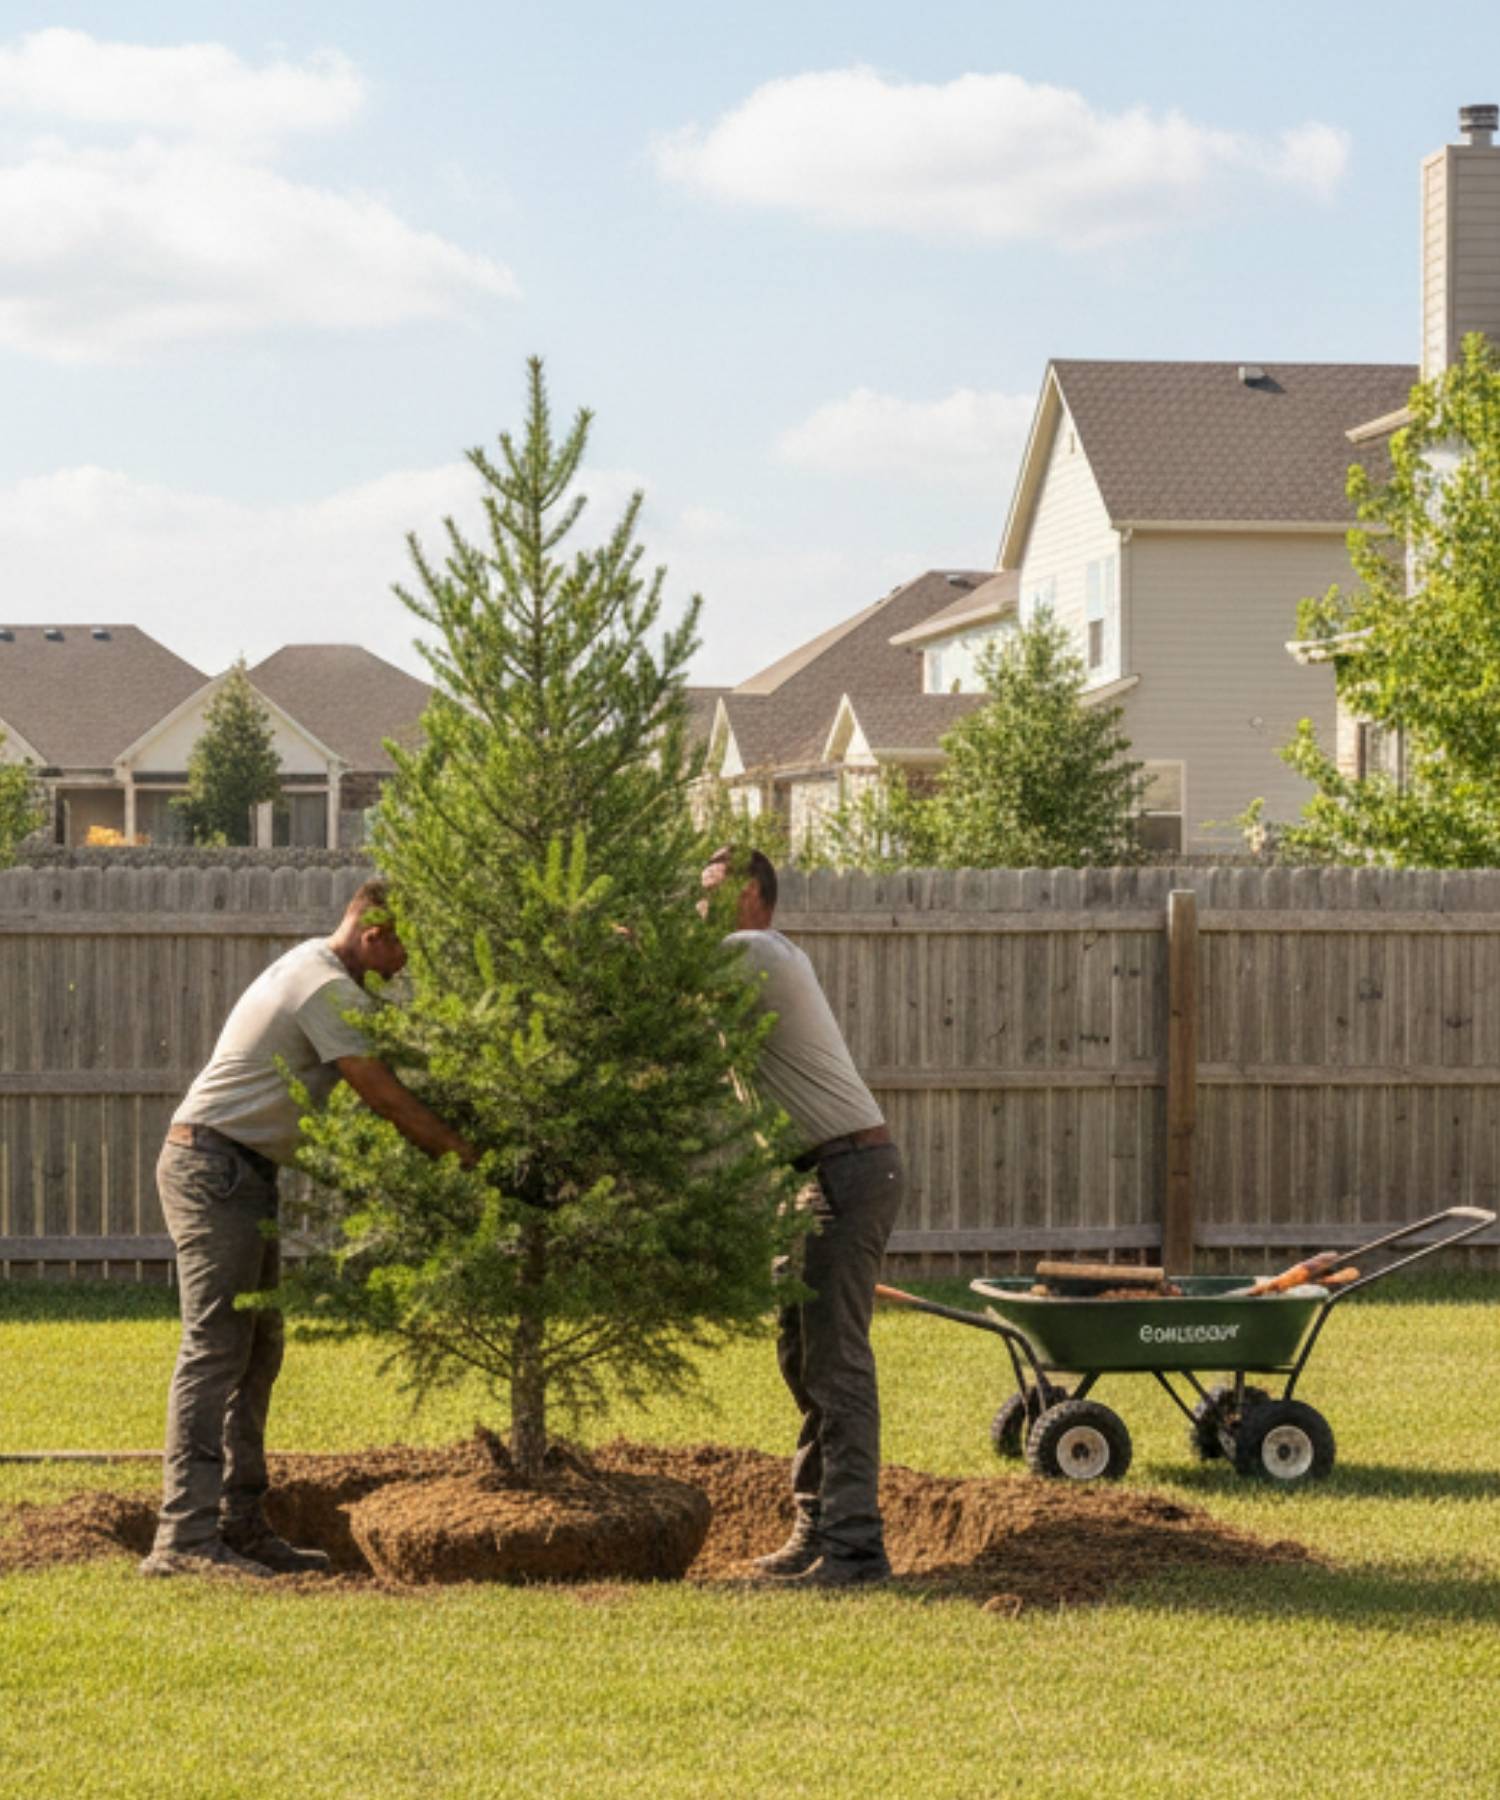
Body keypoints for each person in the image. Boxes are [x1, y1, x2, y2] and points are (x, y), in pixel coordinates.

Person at [140, 880, 474, 1580]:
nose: (401, 971)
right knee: (215, 1347)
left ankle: (239, 1524)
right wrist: (472, 1161)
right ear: (374, 930)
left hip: (237, 1168)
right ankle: (183, 1540)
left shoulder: (311, 968)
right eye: (399, 953)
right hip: (212, 1165)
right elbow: (380, 1091)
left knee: (257, 1347)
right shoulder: (324, 988)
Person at [700, 847, 906, 1587]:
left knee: (837, 1361)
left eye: (710, 889)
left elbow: (659, 975)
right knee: (801, 1355)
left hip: (847, 1170)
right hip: (815, 1176)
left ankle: (856, 1547)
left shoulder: (753, 950)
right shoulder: (744, 960)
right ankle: (816, 1525)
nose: (697, 905)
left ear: (752, 893)